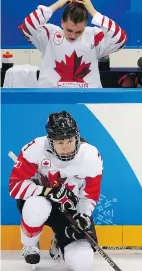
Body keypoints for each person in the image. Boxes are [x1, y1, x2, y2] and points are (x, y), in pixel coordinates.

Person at [9, 111, 103, 271]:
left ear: (77, 137)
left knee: (82, 263)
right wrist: (47, 192)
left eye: (70, 140)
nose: (66, 147)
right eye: (60, 142)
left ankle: (58, 243)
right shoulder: (35, 149)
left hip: (69, 207)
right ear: (50, 141)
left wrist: (83, 215)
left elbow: (90, 194)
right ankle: (30, 245)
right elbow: (15, 186)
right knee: (36, 207)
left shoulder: (91, 156)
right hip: (40, 200)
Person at [18, 0, 127, 88]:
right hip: (52, 98)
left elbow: (120, 38)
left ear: (86, 25)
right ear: (62, 22)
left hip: (88, 99)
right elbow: (27, 27)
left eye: (79, 32)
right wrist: (56, 5)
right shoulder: (48, 35)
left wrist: (93, 12)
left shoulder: (94, 36)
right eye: (69, 30)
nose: (73, 36)